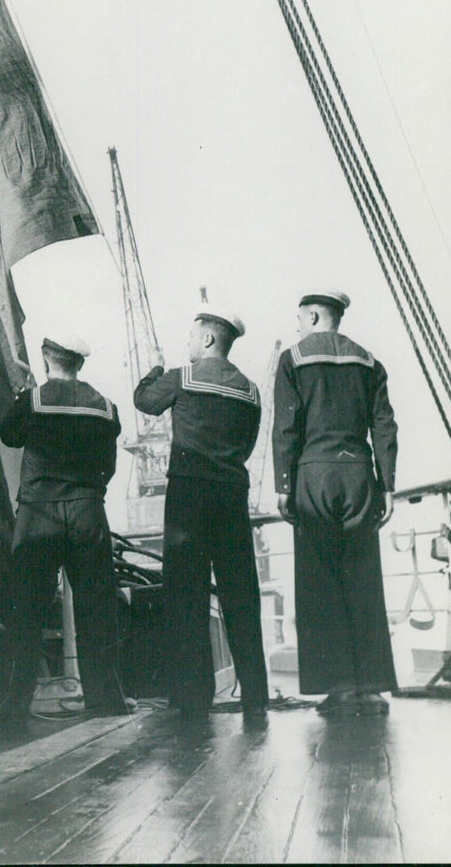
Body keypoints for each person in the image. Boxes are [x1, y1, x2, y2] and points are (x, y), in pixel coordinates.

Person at [134, 305, 269, 721]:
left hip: (189, 498)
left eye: (193, 336)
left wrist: (154, 369)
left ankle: (193, 699)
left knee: (186, 594)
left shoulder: (181, 377)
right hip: (231, 494)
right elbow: (246, 445)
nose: (189, 343)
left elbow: (145, 402)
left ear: (208, 339)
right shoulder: (250, 390)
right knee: (241, 594)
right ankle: (256, 695)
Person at [272, 290, 397, 717]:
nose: (298, 325)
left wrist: (284, 484)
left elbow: (285, 427)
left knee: (320, 582)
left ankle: (339, 687)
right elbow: (384, 426)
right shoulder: (368, 360)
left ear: (311, 315)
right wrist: (389, 485)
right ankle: (373, 687)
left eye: (300, 317)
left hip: (314, 475)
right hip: (360, 474)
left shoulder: (293, 358)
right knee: (364, 578)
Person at [0, 330, 131, 721]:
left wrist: (23, 394)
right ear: (80, 363)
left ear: (45, 359)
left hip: (38, 515)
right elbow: (108, 465)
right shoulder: (105, 407)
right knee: (97, 611)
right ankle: (107, 703)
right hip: (88, 511)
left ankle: (13, 709)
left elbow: (8, 435)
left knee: (26, 611)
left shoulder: (34, 400)